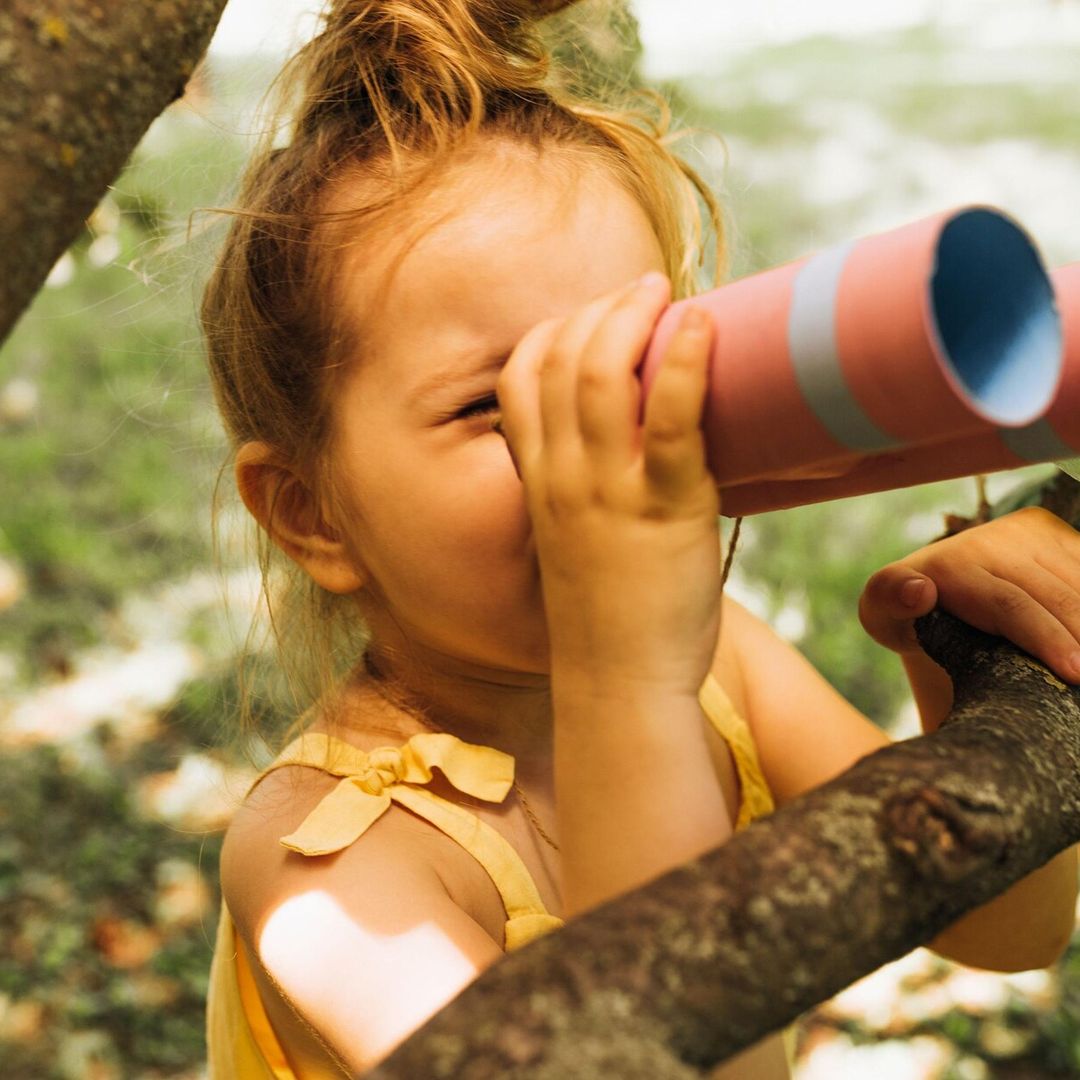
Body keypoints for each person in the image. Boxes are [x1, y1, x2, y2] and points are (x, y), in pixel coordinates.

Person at [201, 1, 1080, 1075]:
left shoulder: (722, 664)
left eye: (642, 363)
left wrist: (970, 672)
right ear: (312, 513)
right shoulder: (331, 869)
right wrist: (629, 681)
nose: (603, 434)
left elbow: (1006, 931)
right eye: (494, 403)